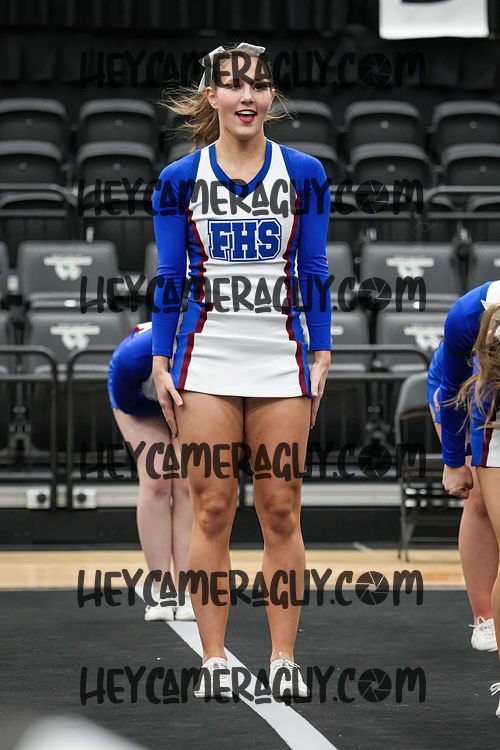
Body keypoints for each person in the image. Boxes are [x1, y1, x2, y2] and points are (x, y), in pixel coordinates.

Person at [151, 42, 332, 698]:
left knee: (282, 509)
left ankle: (284, 659)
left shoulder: (305, 173)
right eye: (234, 85)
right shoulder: (178, 179)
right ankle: (214, 659)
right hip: (207, 361)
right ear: (213, 96)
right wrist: (161, 360)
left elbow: (313, 268)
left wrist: (322, 350)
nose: (248, 96)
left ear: (271, 94)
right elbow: (170, 276)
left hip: (282, 360)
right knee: (212, 509)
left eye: (259, 84)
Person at [428, 281, 500, 716]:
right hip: (473, 396)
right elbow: (455, 395)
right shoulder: (466, 315)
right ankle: (484, 617)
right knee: (478, 499)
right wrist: (454, 462)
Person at [108, 321, 195, 622]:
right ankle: (160, 588)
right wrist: (163, 417)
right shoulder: (134, 357)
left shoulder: (206, 348)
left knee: (186, 482)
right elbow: (126, 401)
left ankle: (187, 589)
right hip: (138, 401)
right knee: (157, 476)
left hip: (185, 399)